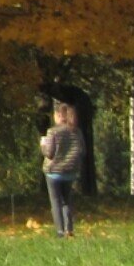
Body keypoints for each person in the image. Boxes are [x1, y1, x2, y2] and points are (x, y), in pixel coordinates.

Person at [40, 100, 85, 238]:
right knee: (67, 201)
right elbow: (82, 150)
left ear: (59, 115)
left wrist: (42, 145)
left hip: (53, 172)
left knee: (55, 202)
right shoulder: (76, 132)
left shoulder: (52, 132)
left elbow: (49, 153)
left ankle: (59, 231)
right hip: (70, 172)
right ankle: (69, 229)